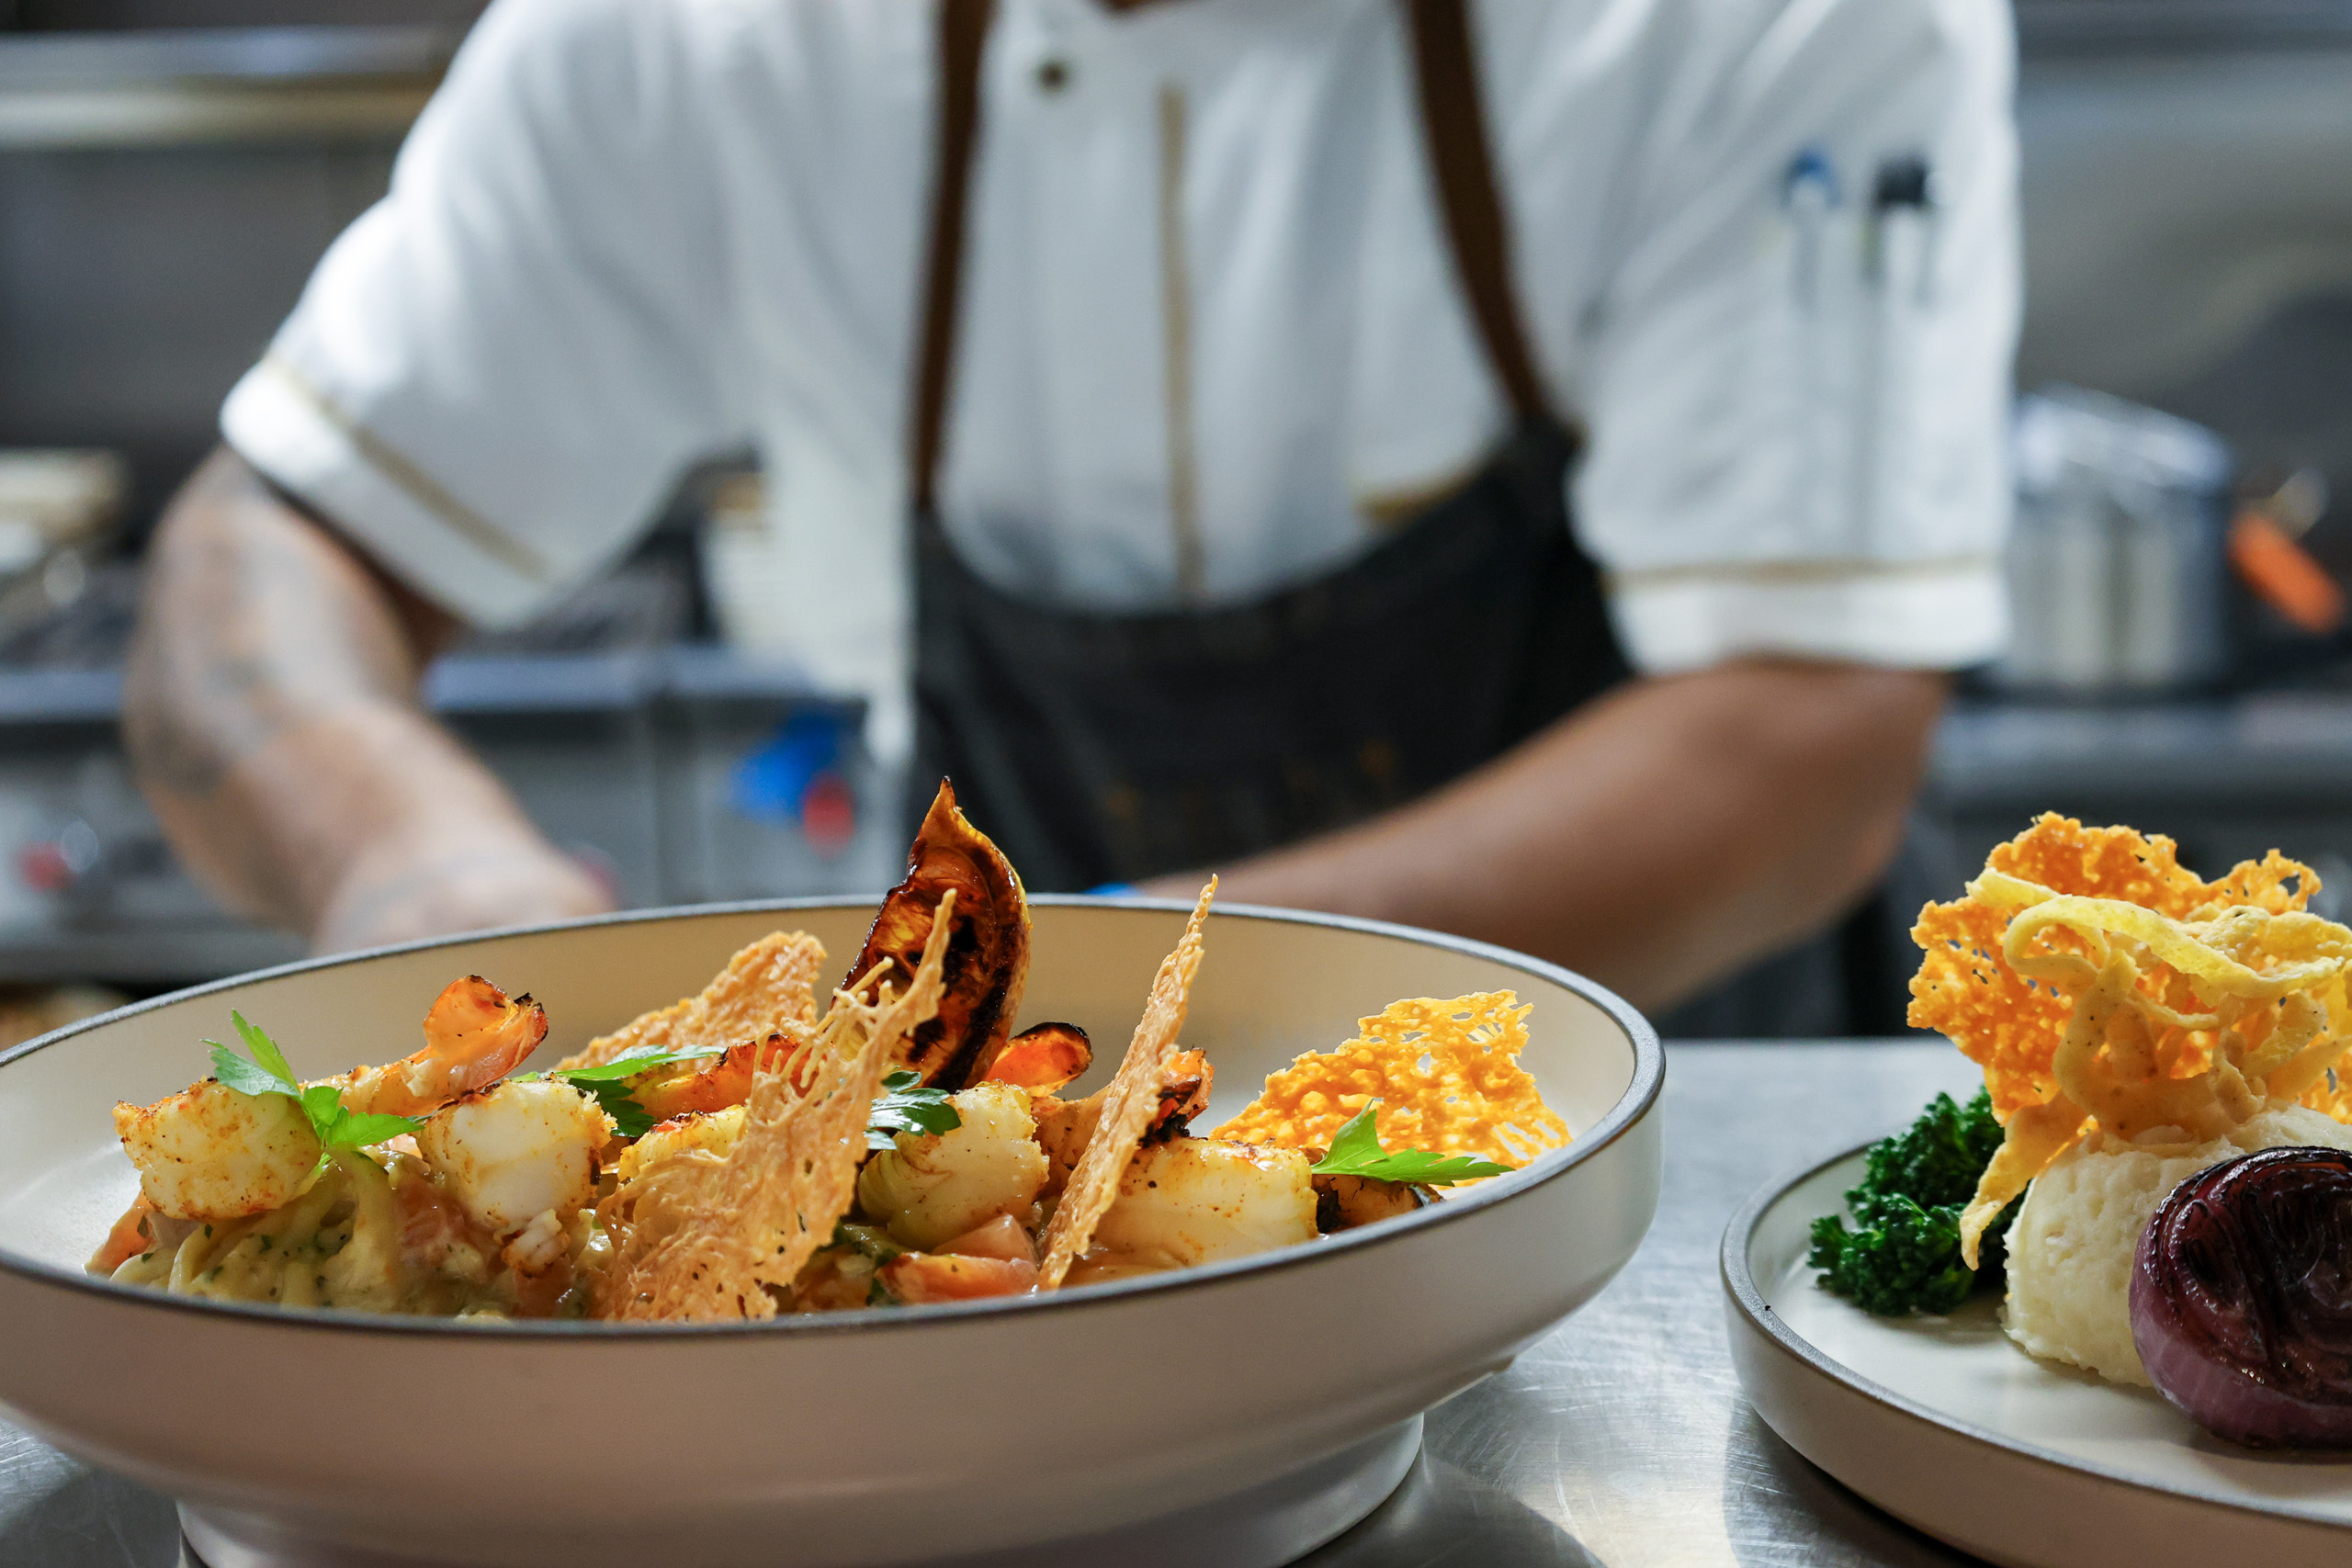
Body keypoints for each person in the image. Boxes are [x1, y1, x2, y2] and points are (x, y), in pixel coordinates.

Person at [124, 0, 2017, 1028]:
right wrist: (411, 871)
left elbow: (1803, 727)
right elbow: (266, 549)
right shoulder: (689, 39)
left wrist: (1095, 970)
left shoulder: (1736, 26)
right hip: (989, 1186)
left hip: (1658, 1145)